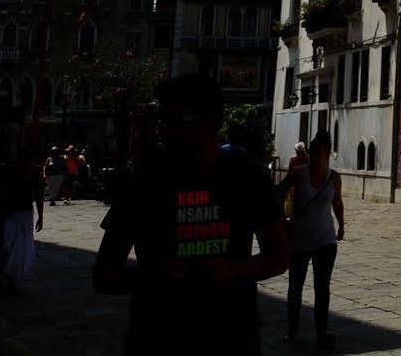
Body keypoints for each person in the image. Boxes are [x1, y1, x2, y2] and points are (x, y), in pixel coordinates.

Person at [94, 73, 288, 356]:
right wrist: (152, 276)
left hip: (230, 338)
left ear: (213, 122)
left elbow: (279, 257)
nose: (164, 131)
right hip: (157, 339)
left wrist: (233, 269)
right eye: (161, 120)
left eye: (175, 121)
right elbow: (103, 274)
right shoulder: (144, 182)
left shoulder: (247, 176)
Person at [276, 132, 345, 348]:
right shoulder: (298, 173)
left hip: (326, 239)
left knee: (322, 288)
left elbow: (337, 202)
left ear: (326, 153)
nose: (312, 155)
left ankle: (321, 333)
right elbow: (278, 192)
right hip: (299, 239)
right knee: (295, 287)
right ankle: (292, 331)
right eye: (311, 151)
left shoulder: (334, 177)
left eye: (317, 151)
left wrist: (342, 225)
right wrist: (282, 219)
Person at [0, 150, 41, 295]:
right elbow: (2, 193)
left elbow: (38, 194)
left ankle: (11, 280)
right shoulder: (10, 172)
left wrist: (41, 215)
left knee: (20, 248)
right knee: (7, 246)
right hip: (11, 213)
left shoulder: (33, 173)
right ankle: (3, 278)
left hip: (24, 213)